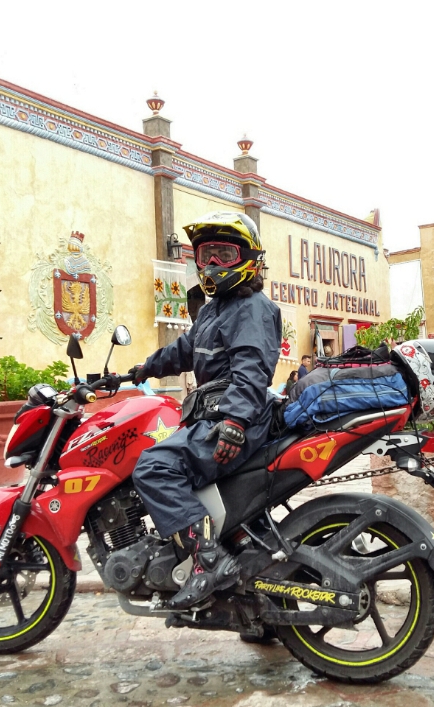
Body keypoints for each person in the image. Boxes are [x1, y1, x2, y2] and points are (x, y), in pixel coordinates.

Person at [128, 212, 281, 610]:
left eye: (223, 255)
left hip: (233, 418)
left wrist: (233, 422)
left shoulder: (251, 308)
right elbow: (183, 351)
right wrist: (141, 369)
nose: (212, 265)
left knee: (154, 467)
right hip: (216, 415)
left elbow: (252, 370)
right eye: (206, 255)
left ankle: (207, 562)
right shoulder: (215, 310)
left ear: (248, 258)